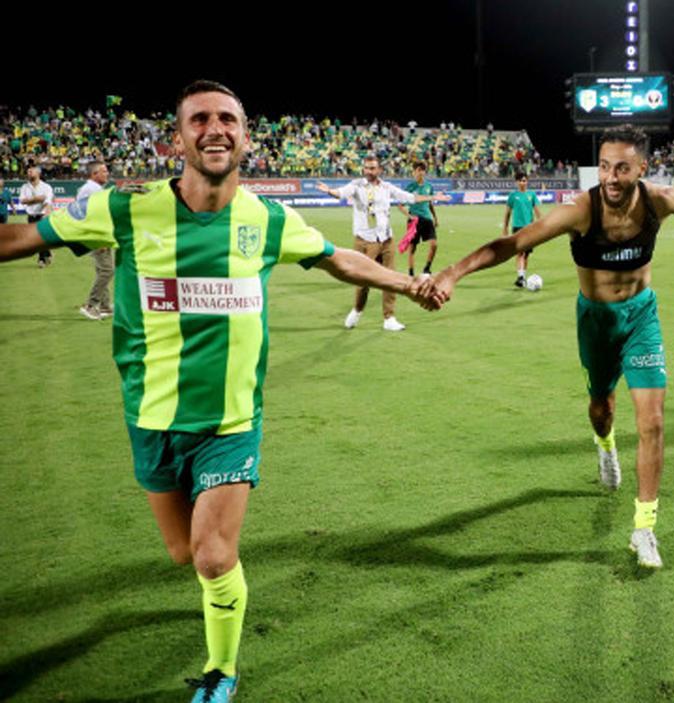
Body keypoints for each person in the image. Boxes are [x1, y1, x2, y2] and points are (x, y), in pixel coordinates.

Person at [0, 81, 428, 703]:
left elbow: (341, 258)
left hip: (230, 422)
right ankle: (217, 605)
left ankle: (221, 672)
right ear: (178, 138)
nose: (215, 128)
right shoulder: (125, 209)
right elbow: (21, 239)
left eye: (228, 118)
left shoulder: (267, 217)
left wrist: (408, 284)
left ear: (246, 136)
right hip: (150, 416)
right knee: (181, 553)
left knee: (211, 556)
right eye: (199, 119)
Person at [419, 124, 674, 569]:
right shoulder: (582, 210)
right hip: (596, 322)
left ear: (643, 167)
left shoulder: (659, 201)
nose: (611, 178)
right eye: (603, 167)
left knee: (653, 420)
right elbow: (513, 243)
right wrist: (452, 272)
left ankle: (644, 529)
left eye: (622, 168)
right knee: (602, 407)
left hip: (641, 317)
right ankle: (605, 445)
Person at [317, 156, 446, 331]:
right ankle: (357, 311)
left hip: (386, 240)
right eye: (367, 168)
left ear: (379, 170)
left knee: (390, 278)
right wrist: (329, 191)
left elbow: (409, 197)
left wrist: (433, 196)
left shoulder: (386, 187)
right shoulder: (356, 185)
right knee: (363, 281)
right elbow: (342, 193)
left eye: (373, 168)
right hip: (365, 241)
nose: (369, 171)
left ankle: (389, 318)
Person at [77, 162, 113, 320]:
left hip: (97, 234)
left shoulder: (91, 189)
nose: (107, 174)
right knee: (107, 270)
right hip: (97, 235)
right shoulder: (92, 190)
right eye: (104, 171)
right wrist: (99, 238)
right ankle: (90, 305)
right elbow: (92, 215)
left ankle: (105, 306)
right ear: (94, 174)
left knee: (102, 270)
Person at [503, 172, 543, 287]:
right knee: (520, 252)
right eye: (520, 181)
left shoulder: (532, 195)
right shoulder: (513, 195)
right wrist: (505, 228)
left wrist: (542, 224)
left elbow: (537, 211)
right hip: (517, 227)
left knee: (526, 254)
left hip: (530, 227)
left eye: (524, 180)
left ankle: (523, 277)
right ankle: (520, 277)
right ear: (516, 182)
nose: (522, 183)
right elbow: (507, 213)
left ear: (527, 182)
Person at [404, 161, 440, 278]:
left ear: (424, 172)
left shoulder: (429, 186)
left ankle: (427, 268)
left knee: (434, 244)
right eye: (417, 170)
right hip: (414, 220)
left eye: (422, 170)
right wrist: (408, 216)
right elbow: (401, 203)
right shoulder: (410, 187)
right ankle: (410, 274)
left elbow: (430, 203)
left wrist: (435, 217)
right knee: (412, 248)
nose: (419, 173)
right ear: (414, 172)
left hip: (427, 219)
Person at [19, 166, 55, 267]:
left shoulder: (46, 187)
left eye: (31, 171)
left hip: (42, 215)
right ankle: (47, 252)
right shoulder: (24, 187)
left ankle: (41, 260)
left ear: (38, 173)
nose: (29, 173)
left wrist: (47, 213)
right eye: (28, 172)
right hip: (31, 215)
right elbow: (22, 200)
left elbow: (47, 201)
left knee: (39, 238)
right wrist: (37, 198)